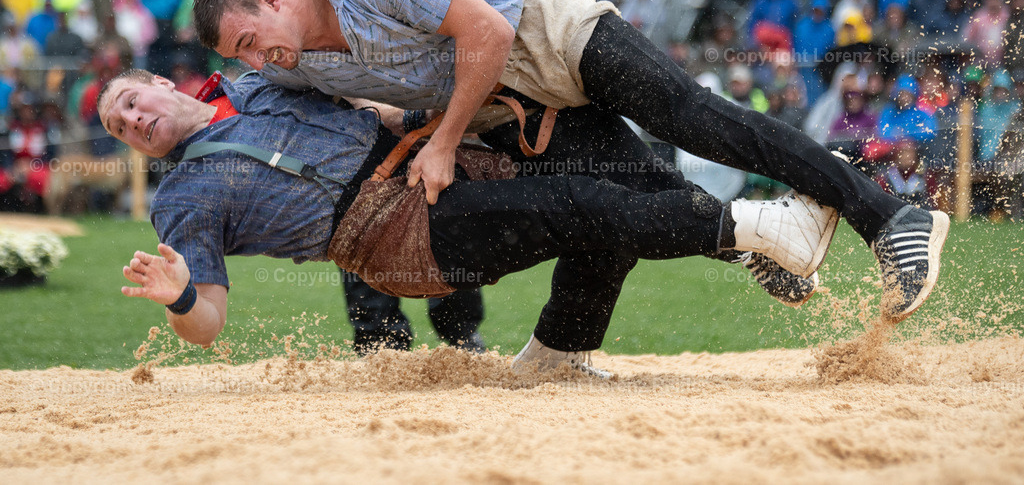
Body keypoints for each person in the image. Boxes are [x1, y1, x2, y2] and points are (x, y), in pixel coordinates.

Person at [192, 0, 949, 322]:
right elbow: (366, 97)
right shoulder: (292, 63)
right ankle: (757, 246)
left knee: (699, 119)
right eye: (243, 58)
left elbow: (484, 33)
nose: (260, 61)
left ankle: (891, 217)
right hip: (496, 96)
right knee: (637, 184)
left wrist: (446, 142)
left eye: (253, 42)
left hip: (534, 25)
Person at [101, 70, 836, 376]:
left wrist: (437, 118)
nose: (133, 120)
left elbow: (363, 93)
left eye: (131, 101)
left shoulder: (252, 76)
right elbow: (210, 323)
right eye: (121, 126)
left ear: (161, 83)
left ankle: (559, 355)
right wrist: (178, 297)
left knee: (598, 156)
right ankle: (760, 227)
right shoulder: (184, 198)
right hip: (388, 232)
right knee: (576, 206)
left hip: (432, 157)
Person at [324, 0, 488, 353]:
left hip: (433, 118)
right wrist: (371, 107)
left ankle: (460, 336)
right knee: (363, 231)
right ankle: (378, 345)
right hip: (364, 128)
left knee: (450, 226)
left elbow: (464, 33)